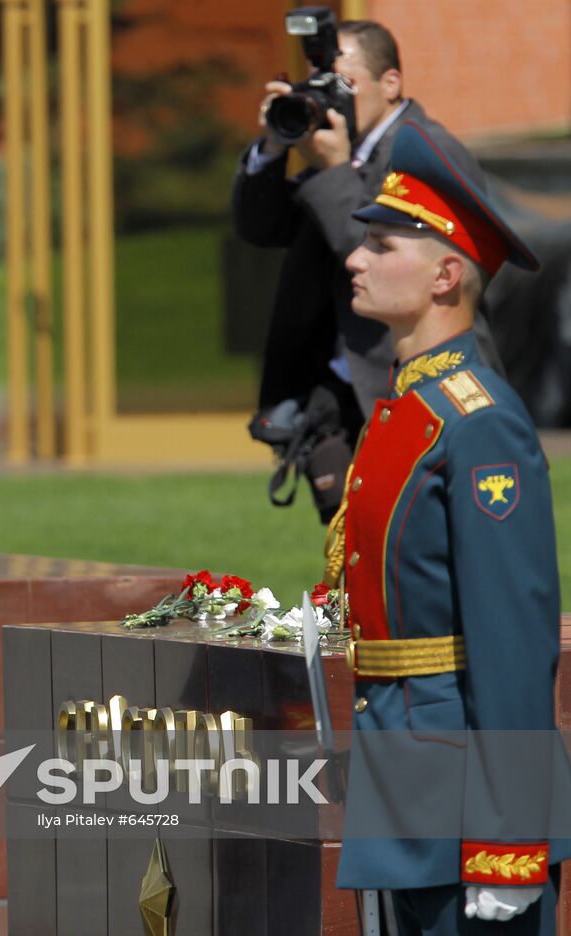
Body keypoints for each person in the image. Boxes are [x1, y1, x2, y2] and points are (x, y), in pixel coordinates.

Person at [334, 121, 563, 933]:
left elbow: (512, 640)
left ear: (446, 275)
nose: (355, 259)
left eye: (383, 245)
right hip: (406, 756)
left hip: (463, 778)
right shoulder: (411, 409)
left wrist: (509, 841)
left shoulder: (478, 423)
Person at [233, 19, 502, 522]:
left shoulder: (427, 151)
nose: (329, 100)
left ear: (391, 84)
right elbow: (261, 226)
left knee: (415, 544)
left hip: (419, 388)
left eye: (343, 85)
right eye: (319, 84)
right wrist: (273, 146)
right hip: (345, 394)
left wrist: (336, 173)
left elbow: (397, 266)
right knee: (354, 554)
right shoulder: (336, 149)